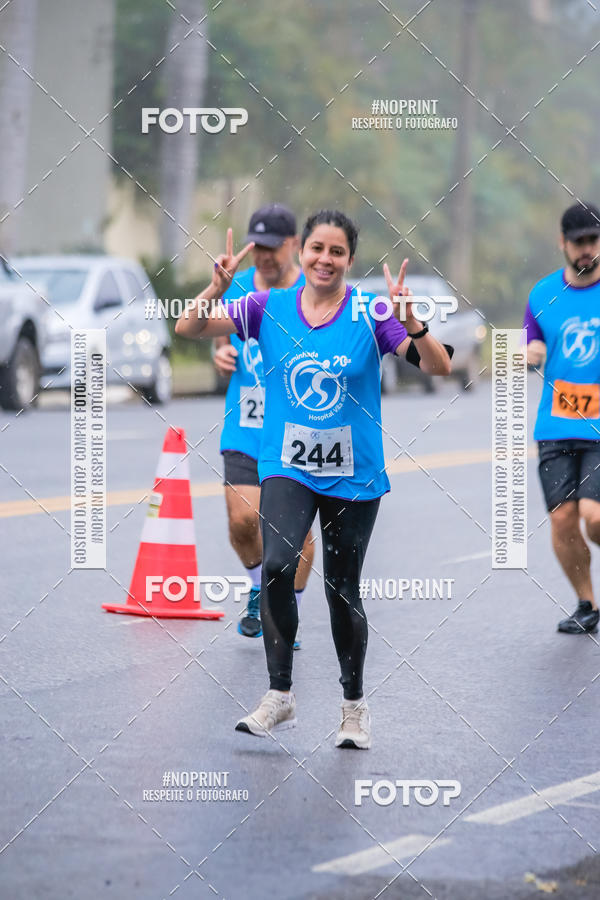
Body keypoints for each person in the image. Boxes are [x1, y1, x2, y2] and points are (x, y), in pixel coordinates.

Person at [176, 209, 452, 749]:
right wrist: (213, 288)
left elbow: (437, 366)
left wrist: (413, 322)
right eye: (317, 250)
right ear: (303, 253)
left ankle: (353, 707)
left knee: (340, 590)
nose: (325, 260)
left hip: (353, 474)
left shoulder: (371, 312)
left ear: (350, 259)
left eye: (337, 252)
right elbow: (189, 328)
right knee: (278, 564)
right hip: (287, 463)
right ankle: (279, 695)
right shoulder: (268, 306)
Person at [213, 204, 315, 644]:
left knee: (294, 534)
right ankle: (260, 592)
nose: (265, 257)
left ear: (293, 244)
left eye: (273, 248)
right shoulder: (235, 286)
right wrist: (220, 354)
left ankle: (283, 612)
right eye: (258, 249)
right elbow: (219, 337)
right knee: (242, 521)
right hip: (246, 424)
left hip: (300, 429)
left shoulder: (312, 292)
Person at [525, 201, 600, 635]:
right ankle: (588, 603)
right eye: (577, 242)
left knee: (594, 513)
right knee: (562, 519)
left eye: (592, 240)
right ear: (563, 244)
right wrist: (528, 352)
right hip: (555, 425)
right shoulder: (542, 295)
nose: (585, 250)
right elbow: (529, 342)